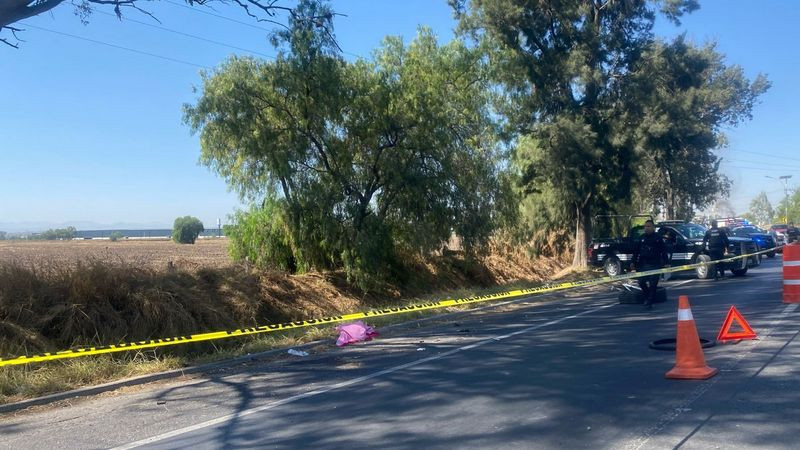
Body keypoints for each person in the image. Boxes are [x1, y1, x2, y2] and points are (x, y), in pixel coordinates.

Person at [631, 220, 669, 309]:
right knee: (641, 282)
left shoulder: (658, 238)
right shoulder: (641, 238)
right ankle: (648, 297)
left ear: (653, 228)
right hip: (643, 264)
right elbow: (636, 252)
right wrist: (633, 262)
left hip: (655, 264)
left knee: (653, 284)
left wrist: (666, 263)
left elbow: (663, 251)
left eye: (648, 226)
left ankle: (649, 301)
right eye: (645, 226)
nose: (646, 228)